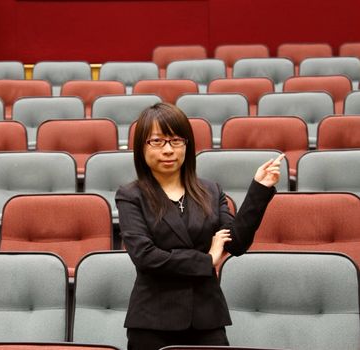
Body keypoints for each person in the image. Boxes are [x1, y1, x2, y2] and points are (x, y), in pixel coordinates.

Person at [115, 102, 284, 349]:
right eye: (157, 141)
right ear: (141, 147)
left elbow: (236, 243)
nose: (168, 150)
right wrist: (208, 259)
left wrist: (259, 190)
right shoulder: (131, 196)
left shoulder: (210, 190)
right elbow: (145, 256)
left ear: (187, 145)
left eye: (176, 141)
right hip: (152, 320)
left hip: (206, 317)